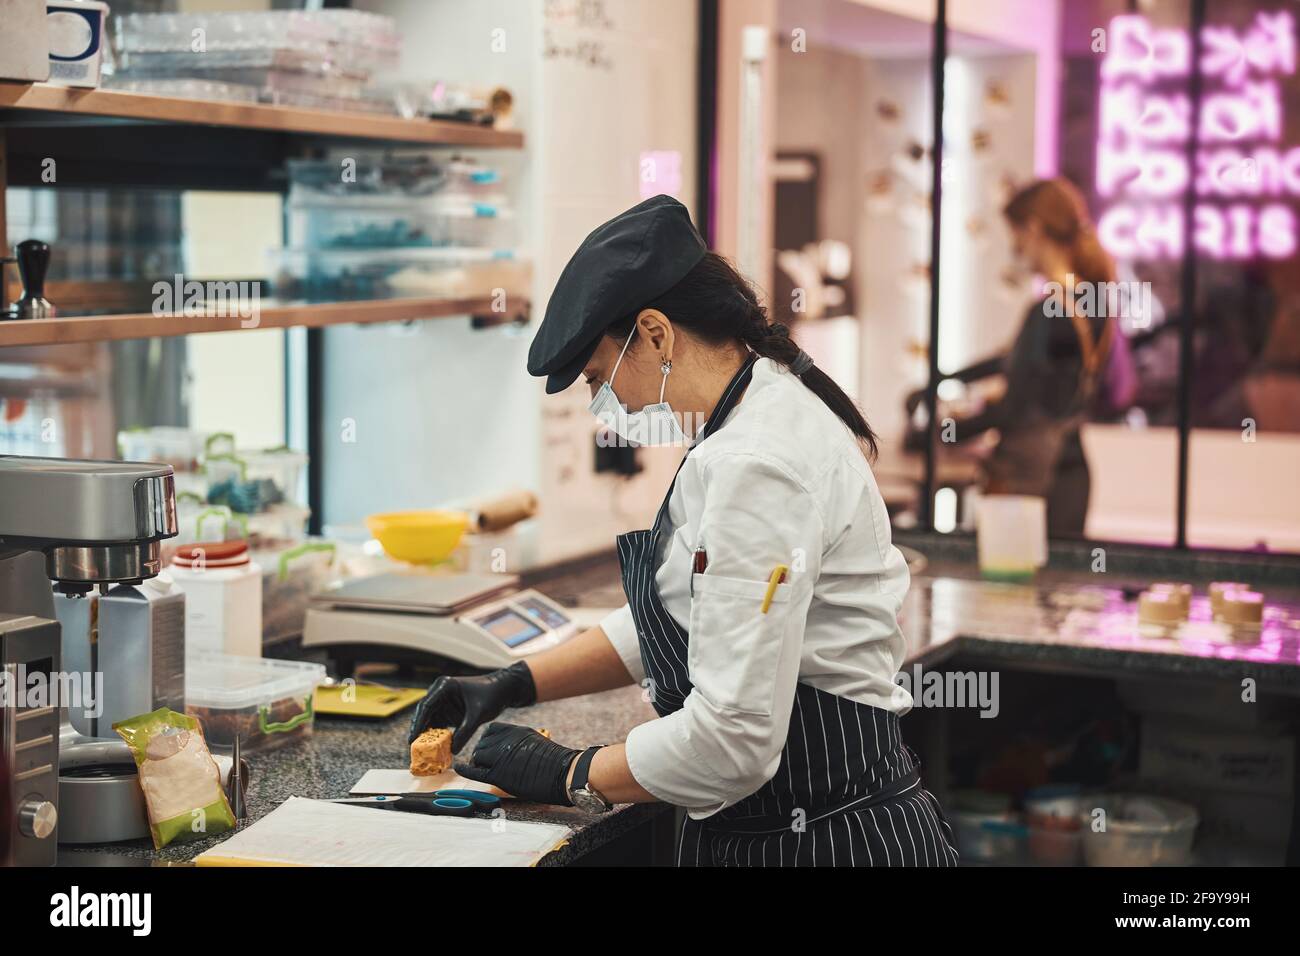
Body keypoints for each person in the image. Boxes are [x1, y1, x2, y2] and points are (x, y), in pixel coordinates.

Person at [408, 195, 957, 867]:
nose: (605, 405)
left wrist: (570, 771)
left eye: (597, 378)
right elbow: (685, 611)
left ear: (656, 333)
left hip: (820, 842)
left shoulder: (756, 466)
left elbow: (731, 742)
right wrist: (516, 681)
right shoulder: (752, 414)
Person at [950, 178, 1121, 537]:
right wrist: (947, 377)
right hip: (1071, 477)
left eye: (1015, 233)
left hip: (1028, 486)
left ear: (1033, 230)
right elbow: (1021, 367)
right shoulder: (1094, 303)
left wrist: (946, 436)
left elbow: (1015, 407)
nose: (1014, 247)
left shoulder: (1046, 312)